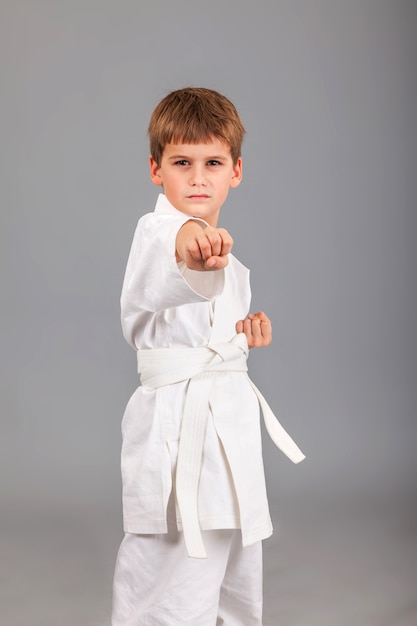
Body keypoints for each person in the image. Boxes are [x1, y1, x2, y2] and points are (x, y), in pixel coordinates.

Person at [112, 87, 305, 626]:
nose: (197, 178)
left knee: (234, 584)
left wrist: (243, 336)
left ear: (235, 171)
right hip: (177, 431)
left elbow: (206, 331)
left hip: (229, 433)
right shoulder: (161, 232)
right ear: (156, 170)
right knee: (169, 586)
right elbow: (179, 252)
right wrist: (193, 247)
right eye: (181, 163)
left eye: (212, 163)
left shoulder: (229, 257)